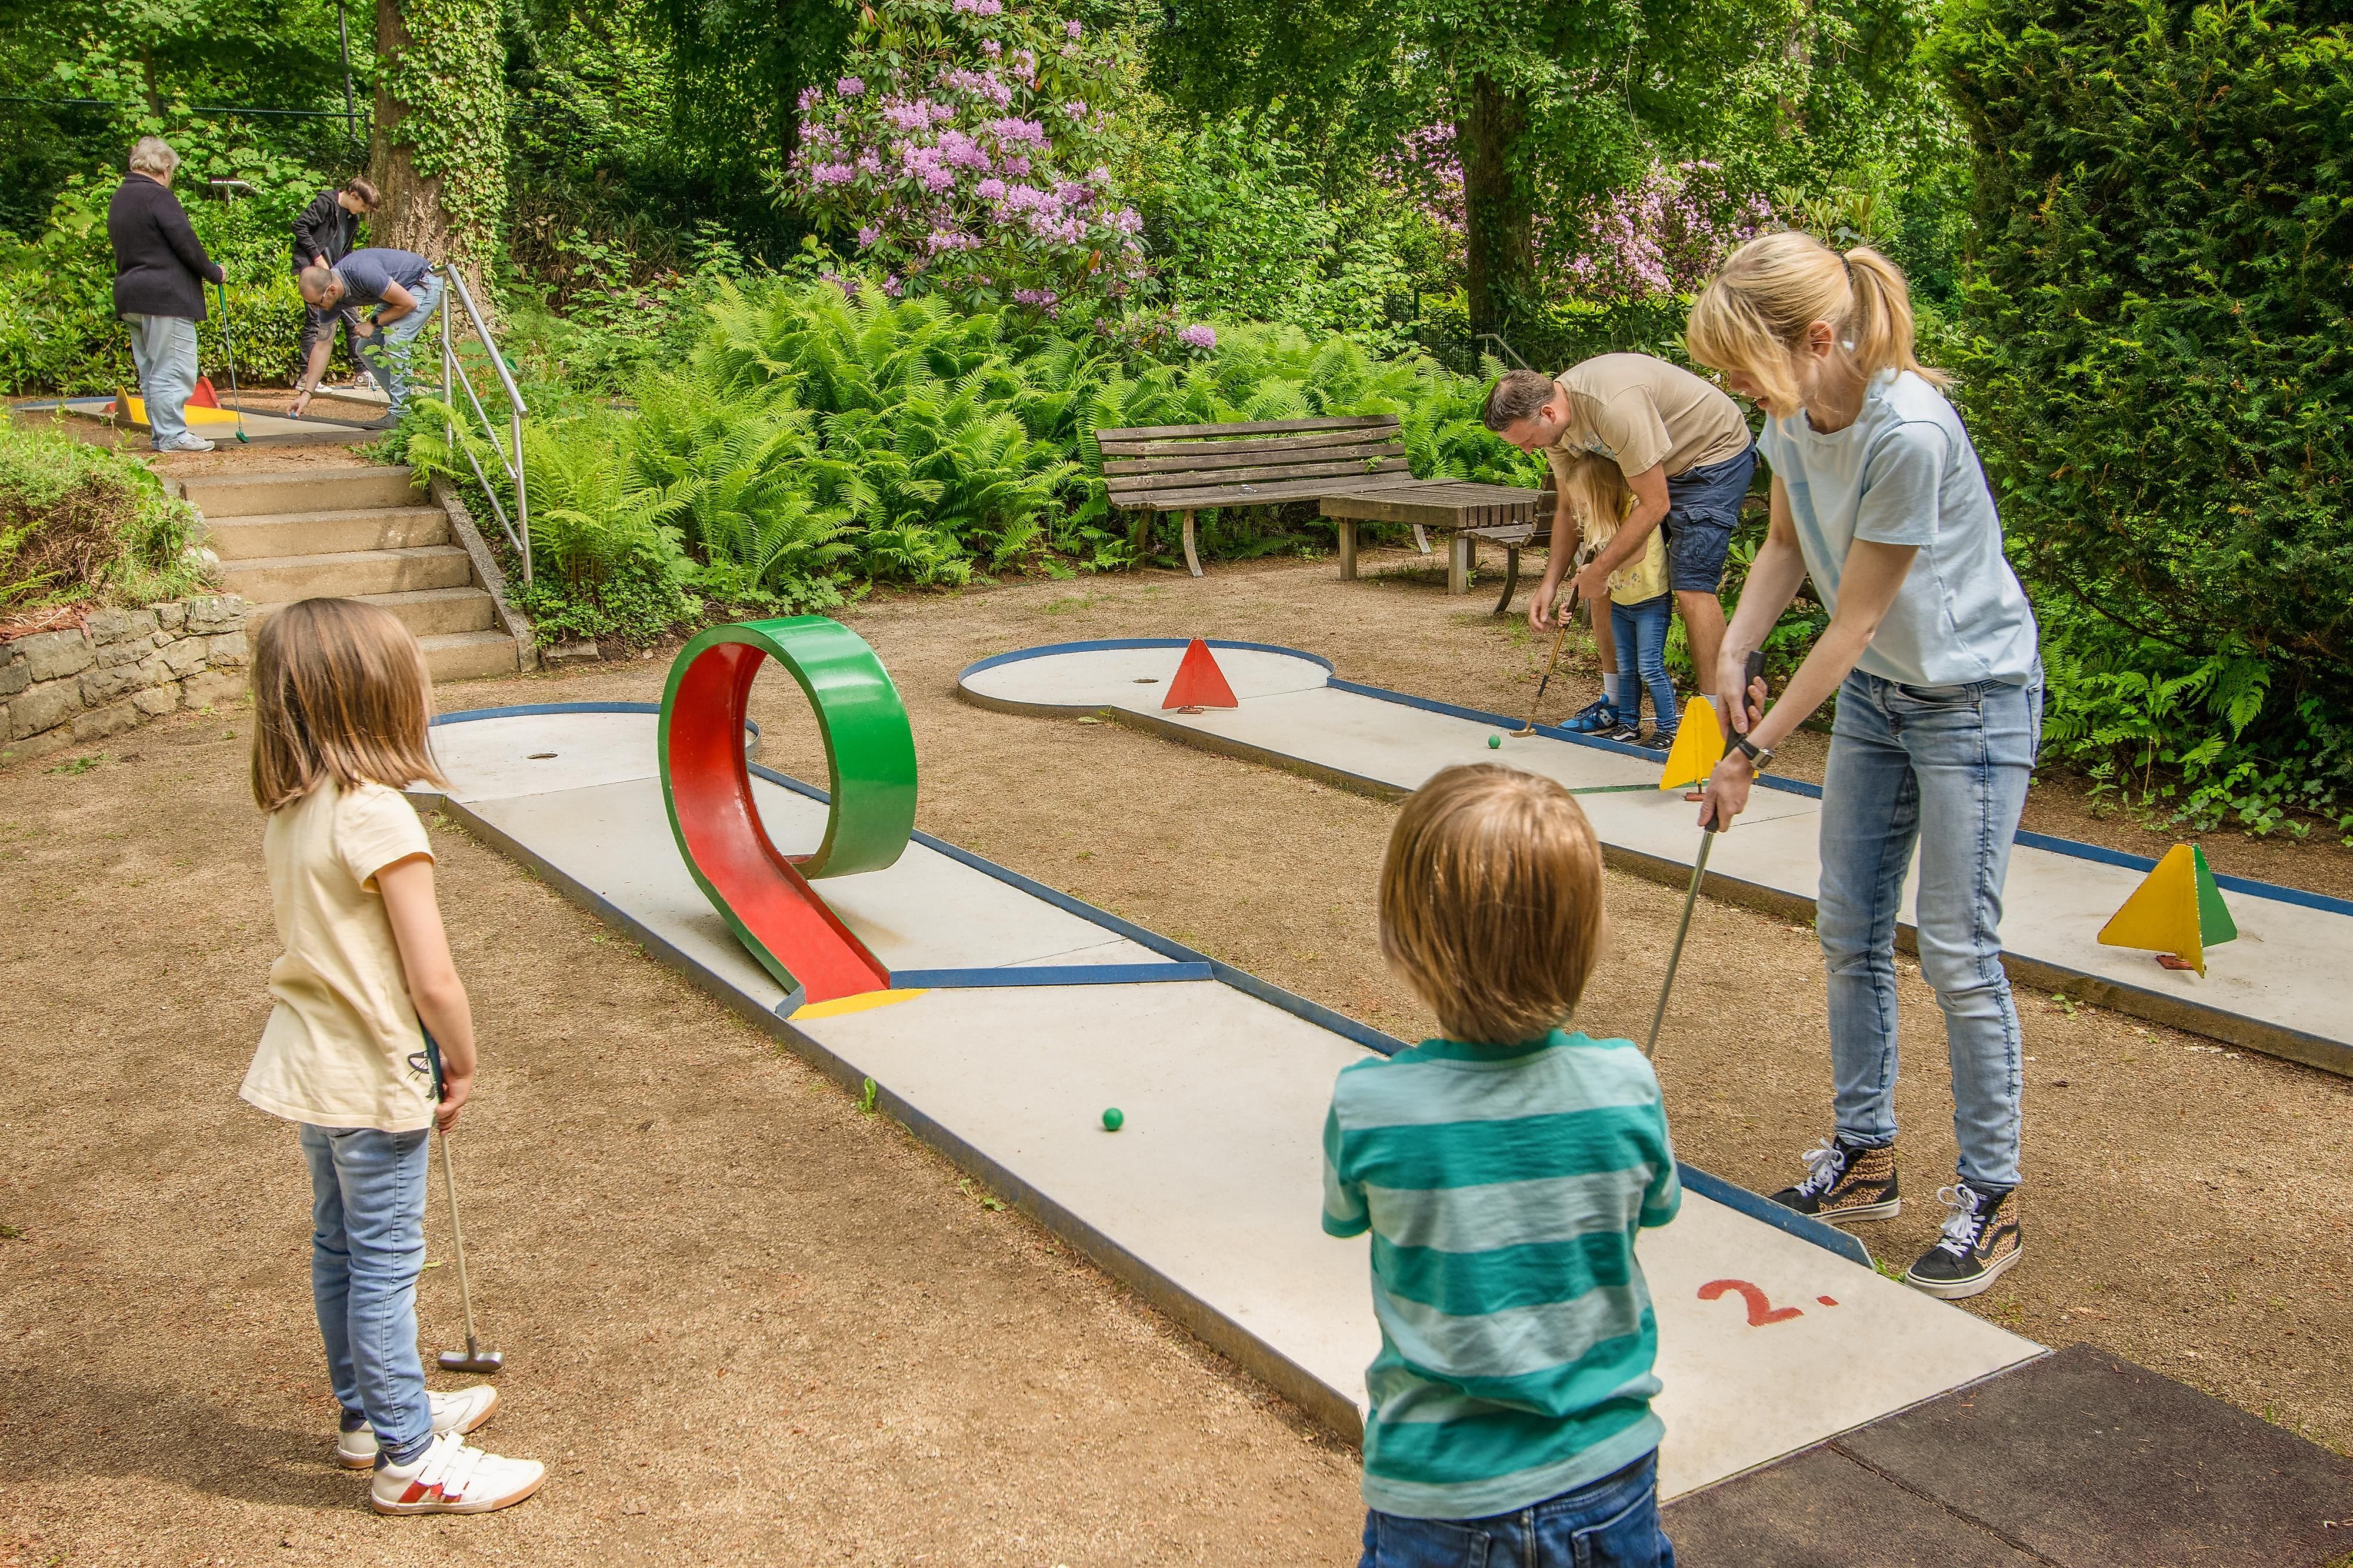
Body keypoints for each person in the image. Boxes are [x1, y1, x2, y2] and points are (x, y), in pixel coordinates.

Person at [1685, 232, 2042, 1300]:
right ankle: (1865, 1156)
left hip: (1972, 700)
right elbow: (1787, 549)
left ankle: (1993, 1198)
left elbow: (1853, 619)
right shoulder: (1789, 413)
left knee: (1956, 950)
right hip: (1885, 699)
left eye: (1741, 362)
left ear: (1821, 338)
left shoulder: (1911, 434)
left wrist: (1750, 749)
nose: (1730, 385)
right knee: (1847, 926)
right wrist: (1734, 654)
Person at [1325, 764, 1680, 1568]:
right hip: (1607, 1474)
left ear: (1407, 940)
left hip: (1437, 1493)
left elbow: (1347, 1213)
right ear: (1583, 935)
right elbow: (1653, 1207)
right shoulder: (1626, 1083)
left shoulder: (1371, 1103)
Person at [239, 598, 546, 1515]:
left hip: (314, 1067)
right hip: (374, 1073)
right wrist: (465, 1058)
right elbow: (434, 976)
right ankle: (409, 1458)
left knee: (339, 1247)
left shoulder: (295, 811)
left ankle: (371, 1415)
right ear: (380, 699)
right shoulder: (380, 817)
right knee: (382, 1263)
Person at [1485, 355, 1756, 725]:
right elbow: (1567, 509)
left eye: (1529, 440)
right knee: (1598, 574)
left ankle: (1715, 719)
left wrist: (1601, 568)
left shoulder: (1613, 406)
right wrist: (1550, 583)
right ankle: (1616, 703)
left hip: (1709, 456)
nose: (1529, 450)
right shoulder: (1556, 428)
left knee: (1692, 583)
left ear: (1547, 413)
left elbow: (1656, 503)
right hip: (1650, 470)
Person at [107, 136, 226, 454]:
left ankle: (162, 435)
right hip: (165, 297)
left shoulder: (121, 197)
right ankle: (173, 434)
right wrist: (213, 272)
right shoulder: (158, 197)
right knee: (173, 368)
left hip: (131, 295)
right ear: (165, 167)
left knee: (151, 372)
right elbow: (185, 242)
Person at [1558, 453, 1678, 752]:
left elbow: (1636, 555)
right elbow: (1597, 570)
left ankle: (1668, 729)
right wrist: (1582, 582)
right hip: (1623, 602)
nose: (1582, 511)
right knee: (1626, 667)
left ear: (1600, 493)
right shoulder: (1607, 521)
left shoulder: (1637, 509)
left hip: (1650, 601)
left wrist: (1597, 570)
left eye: (1585, 503)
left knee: (1650, 667)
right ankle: (1629, 725)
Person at [293, 248, 443, 420]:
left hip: (423, 283)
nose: (315, 309)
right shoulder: (329, 300)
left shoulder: (362, 272)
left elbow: (409, 303)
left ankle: (402, 413)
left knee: (396, 338)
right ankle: (410, 406)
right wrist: (307, 395)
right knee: (366, 348)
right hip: (399, 293)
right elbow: (322, 346)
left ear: (332, 291)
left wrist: (373, 323)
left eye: (317, 303)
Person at [289, 178, 381, 403]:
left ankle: (362, 371)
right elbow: (299, 226)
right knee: (316, 322)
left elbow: (347, 249)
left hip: (335, 276)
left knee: (353, 318)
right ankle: (306, 376)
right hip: (313, 273)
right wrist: (317, 257)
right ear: (354, 196)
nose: (363, 211)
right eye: (364, 206)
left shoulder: (353, 219)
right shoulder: (325, 203)